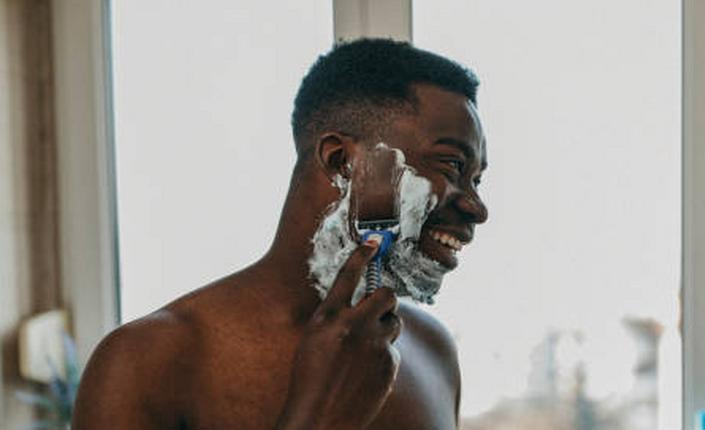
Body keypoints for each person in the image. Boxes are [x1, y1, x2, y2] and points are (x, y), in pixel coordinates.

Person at [72, 38, 488, 430]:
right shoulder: (146, 362)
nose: (476, 208)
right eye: (451, 166)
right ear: (342, 160)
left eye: (477, 180)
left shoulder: (432, 350)